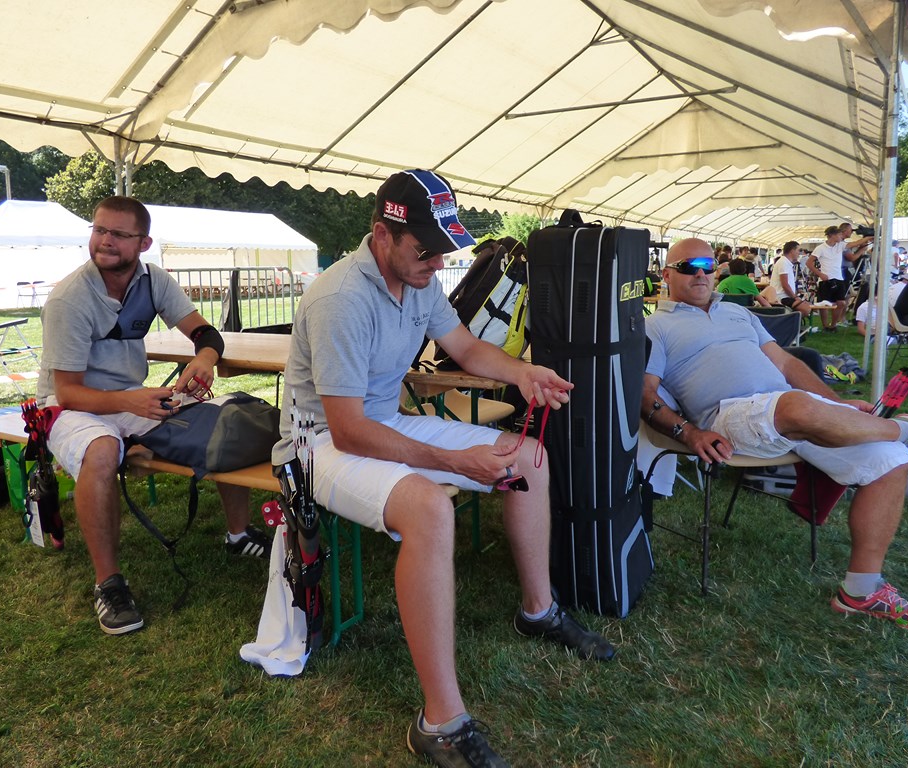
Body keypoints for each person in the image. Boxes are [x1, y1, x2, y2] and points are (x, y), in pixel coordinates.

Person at [271, 169, 614, 767]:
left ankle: (538, 611)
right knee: (430, 508)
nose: (438, 262)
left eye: (443, 249)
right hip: (316, 443)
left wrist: (522, 372)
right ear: (382, 234)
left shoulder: (419, 279)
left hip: (381, 421)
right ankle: (441, 721)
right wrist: (454, 463)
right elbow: (348, 430)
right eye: (425, 250)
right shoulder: (340, 298)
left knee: (528, 455)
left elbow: (466, 347)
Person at [643, 238, 908, 633]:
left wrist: (839, 405)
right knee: (796, 404)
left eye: (708, 266)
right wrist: (689, 432)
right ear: (666, 274)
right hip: (729, 418)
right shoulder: (655, 326)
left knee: (891, 462)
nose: (700, 274)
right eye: (688, 266)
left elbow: (785, 364)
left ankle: (861, 591)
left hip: (790, 411)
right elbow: (645, 393)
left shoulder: (737, 312)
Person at [39, 196, 271, 637]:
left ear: (143, 243)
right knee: (102, 451)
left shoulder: (154, 280)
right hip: (69, 406)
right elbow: (67, 392)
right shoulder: (69, 298)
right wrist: (130, 402)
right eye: (99, 230)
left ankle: (238, 535)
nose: (105, 241)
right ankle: (109, 584)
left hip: (132, 399)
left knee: (225, 422)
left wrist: (203, 359)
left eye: (118, 234)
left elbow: (206, 333)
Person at [806, 226, 848, 331]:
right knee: (824, 304)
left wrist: (867, 239)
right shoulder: (820, 248)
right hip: (825, 280)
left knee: (841, 303)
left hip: (839, 278)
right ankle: (825, 326)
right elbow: (809, 263)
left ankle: (833, 325)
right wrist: (820, 274)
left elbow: (855, 244)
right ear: (832, 235)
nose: (841, 236)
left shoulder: (840, 245)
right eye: (839, 234)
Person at [768, 241, 812, 318]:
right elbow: (785, 285)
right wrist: (795, 297)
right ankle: (788, 321)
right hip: (781, 297)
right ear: (792, 251)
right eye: (798, 250)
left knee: (807, 306)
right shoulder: (783, 263)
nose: (799, 253)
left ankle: (790, 320)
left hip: (784, 296)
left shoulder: (785, 262)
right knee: (806, 308)